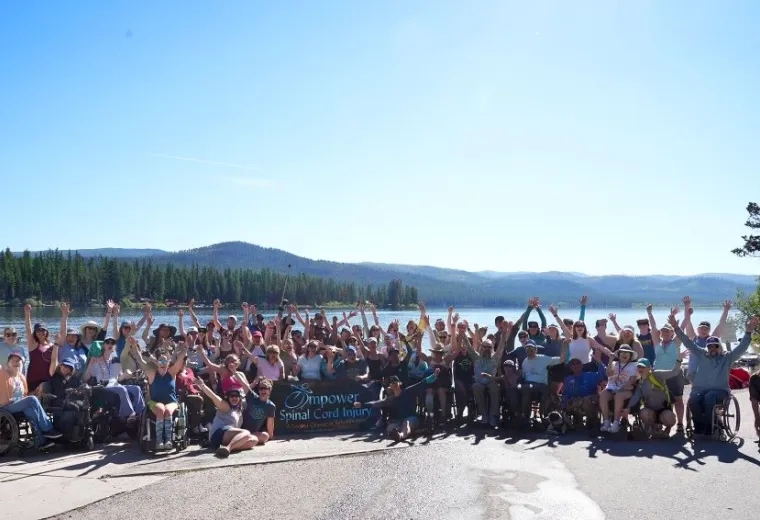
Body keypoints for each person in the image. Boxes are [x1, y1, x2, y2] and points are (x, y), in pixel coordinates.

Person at [671, 313, 758, 436]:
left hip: (719, 390)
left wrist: (748, 332)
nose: (712, 348)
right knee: (693, 400)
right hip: (700, 389)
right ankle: (700, 426)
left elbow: (741, 348)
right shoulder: (702, 355)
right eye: (710, 346)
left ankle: (708, 427)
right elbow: (687, 342)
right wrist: (675, 327)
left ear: (719, 347)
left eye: (715, 346)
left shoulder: (727, 357)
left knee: (710, 397)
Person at [129, 340, 187, 450]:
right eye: (160, 361)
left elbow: (180, 361)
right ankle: (160, 441)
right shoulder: (152, 373)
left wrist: (184, 348)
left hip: (171, 401)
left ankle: (168, 440)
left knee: (168, 410)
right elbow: (141, 362)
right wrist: (134, 347)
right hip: (155, 402)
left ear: (168, 362)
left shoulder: (172, 372)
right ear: (157, 363)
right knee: (161, 409)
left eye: (165, 361)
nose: (163, 363)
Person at [353, 369, 440, 441]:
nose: (394, 384)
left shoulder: (408, 391)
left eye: (395, 382)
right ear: (390, 386)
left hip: (412, 418)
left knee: (406, 423)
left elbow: (422, 383)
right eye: (392, 383)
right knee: (390, 428)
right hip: (398, 421)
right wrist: (362, 405)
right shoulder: (390, 399)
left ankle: (400, 436)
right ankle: (413, 432)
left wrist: (434, 376)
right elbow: (376, 403)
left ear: (400, 383)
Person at [0, 351, 62, 449]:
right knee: (32, 400)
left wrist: (38, 391)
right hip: (6, 405)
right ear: (8, 363)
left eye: (18, 361)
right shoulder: (3, 374)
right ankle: (48, 428)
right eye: (13, 361)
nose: (16, 363)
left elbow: (25, 395)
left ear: (22, 363)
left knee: (31, 411)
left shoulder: (21, 377)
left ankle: (42, 442)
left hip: (19, 405)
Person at [647, 305, 689, 434]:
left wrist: (687, 313)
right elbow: (653, 327)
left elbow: (681, 327)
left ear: (672, 332)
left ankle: (680, 423)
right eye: (663, 331)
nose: (665, 332)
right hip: (659, 375)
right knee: (660, 400)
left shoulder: (676, 342)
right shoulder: (656, 342)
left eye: (668, 331)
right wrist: (649, 313)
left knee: (678, 399)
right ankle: (661, 421)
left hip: (674, 374)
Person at [84, 337, 146, 421]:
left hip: (115, 385)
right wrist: (91, 363)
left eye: (112, 343)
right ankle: (128, 415)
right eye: (107, 342)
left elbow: (119, 378)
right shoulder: (96, 360)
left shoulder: (116, 361)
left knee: (136, 388)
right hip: (103, 387)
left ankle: (141, 413)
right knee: (122, 389)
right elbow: (86, 378)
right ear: (104, 345)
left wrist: (127, 374)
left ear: (115, 347)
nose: (110, 344)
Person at [195, 377, 257, 458]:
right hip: (218, 433)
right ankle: (228, 448)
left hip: (227, 437)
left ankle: (224, 449)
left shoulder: (239, 410)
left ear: (239, 398)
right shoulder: (225, 406)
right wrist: (203, 385)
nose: (234, 398)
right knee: (246, 433)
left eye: (236, 396)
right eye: (231, 396)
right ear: (228, 397)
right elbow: (213, 396)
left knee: (253, 440)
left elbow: (248, 392)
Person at [625, 358, 683, 436]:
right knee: (643, 413)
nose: (640, 369)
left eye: (643, 367)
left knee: (669, 418)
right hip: (650, 410)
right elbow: (636, 397)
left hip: (664, 409)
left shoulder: (657, 374)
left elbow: (674, 372)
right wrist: (628, 407)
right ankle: (654, 427)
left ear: (649, 368)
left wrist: (679, 360)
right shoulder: (640, 383)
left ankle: (668, 428)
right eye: (639, 367)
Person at [518, 340, 564, 425]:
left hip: (542, 385)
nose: (529, 350)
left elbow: (561, 360)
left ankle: (543, 415)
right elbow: (523, 377)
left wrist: (565, 346)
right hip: (529, 384)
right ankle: (524, 416)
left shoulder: (543, 358)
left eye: (531, 348)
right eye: (527, 349)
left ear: (536, 350)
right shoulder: (524, 362)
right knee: (524, 389)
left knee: (544, 390)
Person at [599, 345, 639, 433]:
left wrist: (620, 390)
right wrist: (610, 360)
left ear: (630, 355)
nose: (624, 354)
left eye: (627, 353)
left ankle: (616, 423)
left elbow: (632, 381)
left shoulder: (634, 365)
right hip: (611, 388)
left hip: (627, 390)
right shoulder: (614, 364)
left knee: (618, 396)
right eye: (622, 352)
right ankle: (606, 422)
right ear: (619, 355)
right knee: (603, 395)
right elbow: (609, 374)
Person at [560, 358, 606, 431]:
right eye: (573, 364)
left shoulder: (591, 375)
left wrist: (599, 362)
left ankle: (592, 420)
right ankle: (577, 419)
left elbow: (602, 374)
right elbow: (565, 394)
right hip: (575, 401)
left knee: (586, 400)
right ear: (570, 367)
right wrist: (570, 400)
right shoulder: (567, 379)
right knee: (569, 401)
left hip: (590, 399)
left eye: (578, 363)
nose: (575, 365)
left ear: (582, 365)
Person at [237, 374, 275, 444]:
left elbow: (270, 423)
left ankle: (243, 440)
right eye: (261, 388)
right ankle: (243, 439)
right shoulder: (252, 396)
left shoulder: (271, 406)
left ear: (270, 390)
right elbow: (242, 383)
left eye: (265, 388)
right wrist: (234, 371)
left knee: (265, 436)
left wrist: (270, 435)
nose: (263, 390)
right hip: (241, 429)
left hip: (253, 433)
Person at [23, 304, 53, 393]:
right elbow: (28, 329)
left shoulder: (52, 345)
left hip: (47, 380)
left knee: (46, 404)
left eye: (43, 330)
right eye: (38, 330)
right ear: (35, 332)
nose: (41, 332)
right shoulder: (32, 344)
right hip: (33, 380)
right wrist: (27, 313)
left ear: (47, 332)